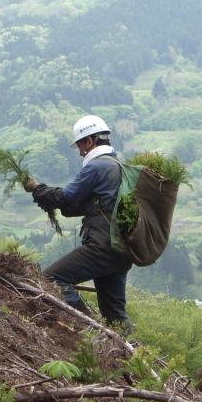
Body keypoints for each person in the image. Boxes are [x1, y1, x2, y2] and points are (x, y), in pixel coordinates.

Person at [24, 114, 132, 330]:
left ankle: (87, 330)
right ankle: (125, 352)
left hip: (101, 246)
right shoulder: (118, 167)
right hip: (123, 249)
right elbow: (79, 207)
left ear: (90, 141)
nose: (81, 151)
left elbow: (66, 199)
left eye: (81, 146)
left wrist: (37, 189)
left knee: (52, 279)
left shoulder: (96, 167)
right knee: (115, 313)